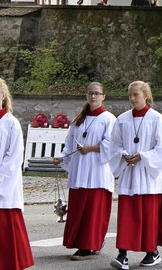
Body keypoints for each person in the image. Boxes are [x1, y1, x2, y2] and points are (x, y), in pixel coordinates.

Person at [109, 81, 162, 269]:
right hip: (130, 173)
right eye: (130, 95)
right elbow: (114, 144)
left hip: (148, 175)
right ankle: (122, 254)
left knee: (148, 216)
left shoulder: (157, 119)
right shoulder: (122, 119)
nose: (132, 98)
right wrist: (123, 155)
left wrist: (142, 156)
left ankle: (152, 252)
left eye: (136, 94)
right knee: (127, 216)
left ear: (146, 95)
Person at [53, 82, 116, 261]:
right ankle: (86, 243)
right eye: (90, 93)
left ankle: (89, 246)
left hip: (98, 172)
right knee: (80, 209)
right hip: (80, 171)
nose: (93, 96)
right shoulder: (78, 119)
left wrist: (91, 148)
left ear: (104, 96)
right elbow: (69, 144)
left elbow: (111, 144)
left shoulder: (109, 119)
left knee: (94, 211)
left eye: (97, 93)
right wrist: (61, 157)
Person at [0, 76, 34, 270]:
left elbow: (14, 159)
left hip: (1, 187)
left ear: (3, 96)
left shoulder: (12, 124)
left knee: (4, 233)